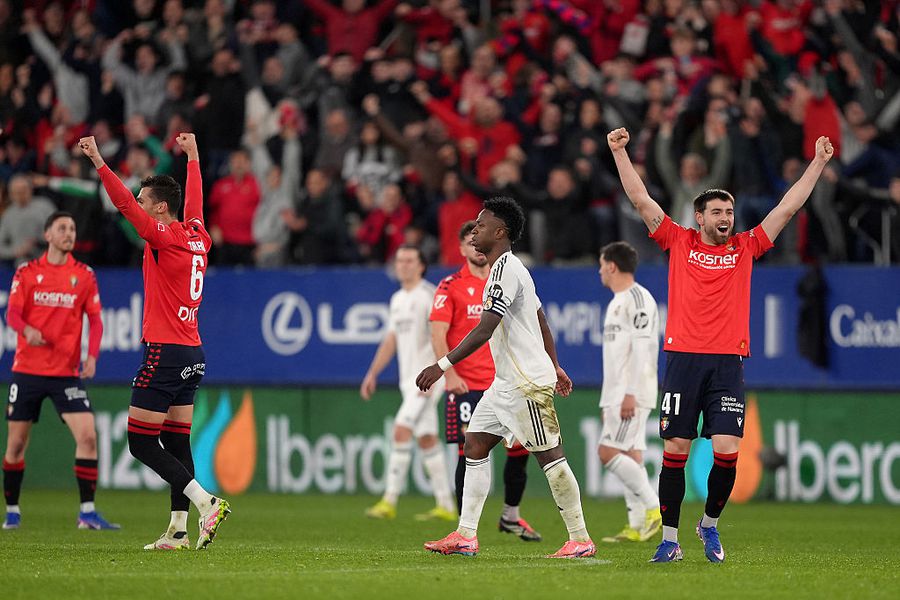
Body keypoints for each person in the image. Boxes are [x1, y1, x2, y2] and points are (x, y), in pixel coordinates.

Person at [607, 127, 834, 563]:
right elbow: (641, 201)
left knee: (728, 450)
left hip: (728, 361)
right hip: (683, 359)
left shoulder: (746, 248)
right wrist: (620, 153)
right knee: (675, 449)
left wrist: (818, 164)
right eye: (716, 211)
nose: (725, 217)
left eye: (729, 210)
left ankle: (708, 525)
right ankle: (670, 540)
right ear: (700, 218)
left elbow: (787, 208)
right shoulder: (678, 241)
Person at [417, 196, 595, 559]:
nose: (474, 231)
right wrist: (557, 364)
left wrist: (441, 366)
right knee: (475, 445)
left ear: (500, 232)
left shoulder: (503, 271)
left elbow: (485, 328)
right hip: (505, 384)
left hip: (525, 383)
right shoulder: (514, 269)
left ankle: (580, 538)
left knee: (551, 458)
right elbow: (541, 317)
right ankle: (466, 535)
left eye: (480, 225)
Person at [79, 133, 231, 551]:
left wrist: (98, 160)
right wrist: (195, 157)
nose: (139, 204)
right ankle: (178, 531)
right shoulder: (199, 236)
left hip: (164, 350)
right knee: (178, 440)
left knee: (141, 441)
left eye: (146, 201)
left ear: (161, 208)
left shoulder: (163, 236)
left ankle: (206, 502)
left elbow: (124, 205)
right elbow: (196, 203)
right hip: (193, 353)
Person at [3, 212, 118, 531]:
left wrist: (92, 356)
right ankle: (12, 510)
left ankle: (87, 512)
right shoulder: (27, 273)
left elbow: (95, 320)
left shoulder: (84, 275)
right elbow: (12, 314)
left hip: (66, 374)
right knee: (15, 445)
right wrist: (26, 331)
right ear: (48, 235)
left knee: (88, 437)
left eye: (72, 228)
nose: (69, 233)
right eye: (62, 228)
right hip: (27, 370)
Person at [430, 221, 541, 542]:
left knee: (520, 449)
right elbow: (437, 333)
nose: (474, 247)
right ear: (463, 248)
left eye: (476, 239)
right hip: (466, 385)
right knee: (470, 453)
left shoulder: (502, 278)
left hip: (505, 381)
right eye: (468, 242)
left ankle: (510, 515)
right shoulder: (450, 286)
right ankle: (466, 528)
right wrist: (449, 373)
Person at [361, 245, 455, 522]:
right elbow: (391, 340)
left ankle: (389, 500)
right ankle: (446, 505)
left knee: (401, 429)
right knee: (426, 439)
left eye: (409, 260)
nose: (402, 264)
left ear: (421, 265)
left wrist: (442, 371)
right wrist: (373, 373)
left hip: (426, 381)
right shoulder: (397, 299)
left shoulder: (429, 295)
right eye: (399, 260)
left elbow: (441, 335)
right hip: (407, 381)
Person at [596, 241, 662, 543]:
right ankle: (637, 525)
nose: (599, 270)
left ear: (611, 265)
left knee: (607, 452)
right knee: (630, 455)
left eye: (601, 264)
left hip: (631, 392)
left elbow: (642, 348)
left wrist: (630, 393)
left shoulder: (638, 298)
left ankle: (653, 509)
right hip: (617, 392)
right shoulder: (616, 301)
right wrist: (609, 396)